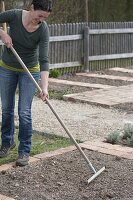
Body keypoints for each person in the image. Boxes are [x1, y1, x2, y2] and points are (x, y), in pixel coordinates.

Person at [0, 0, 52, 166]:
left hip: (30, 70)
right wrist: (3, 34)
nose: (41, 19)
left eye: (45, 17)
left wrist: (44, 87)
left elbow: (44, 60)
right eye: (39, 15)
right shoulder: (14, 15)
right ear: (31, 8)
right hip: (7, 68)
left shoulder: (43, 29)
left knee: (24, 111)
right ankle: (7, 142)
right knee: (7, 108)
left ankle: (24, 151)